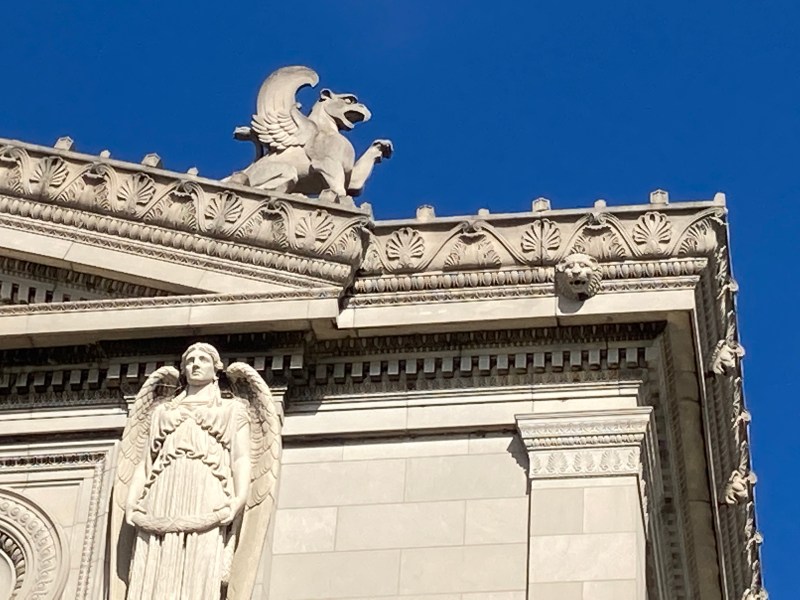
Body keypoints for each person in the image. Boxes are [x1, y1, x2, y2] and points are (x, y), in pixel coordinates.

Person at [124, 343, 251, 600]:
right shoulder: (163, 412)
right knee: (157, 562)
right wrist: (130, 502)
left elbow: (241, 458)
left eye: (203, 359)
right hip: (163, 491)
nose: (195, 364)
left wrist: (238, 499)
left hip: (207, 489)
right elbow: (145, 464)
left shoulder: (231, 410)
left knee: (201, 558)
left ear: (216, 370)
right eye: (190, 360)